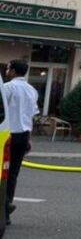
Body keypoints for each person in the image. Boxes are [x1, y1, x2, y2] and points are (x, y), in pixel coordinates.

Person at [2, 60, 39, 226]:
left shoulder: (8, 88)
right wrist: (29, 139)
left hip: (8, 136)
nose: (7, 71)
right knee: (13, 174)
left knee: (2, 174)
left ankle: (4, 208)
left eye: (8, 68)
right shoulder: (32, 90)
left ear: (14, 71)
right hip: (23, 136)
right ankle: (7, 206)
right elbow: (30, 116)